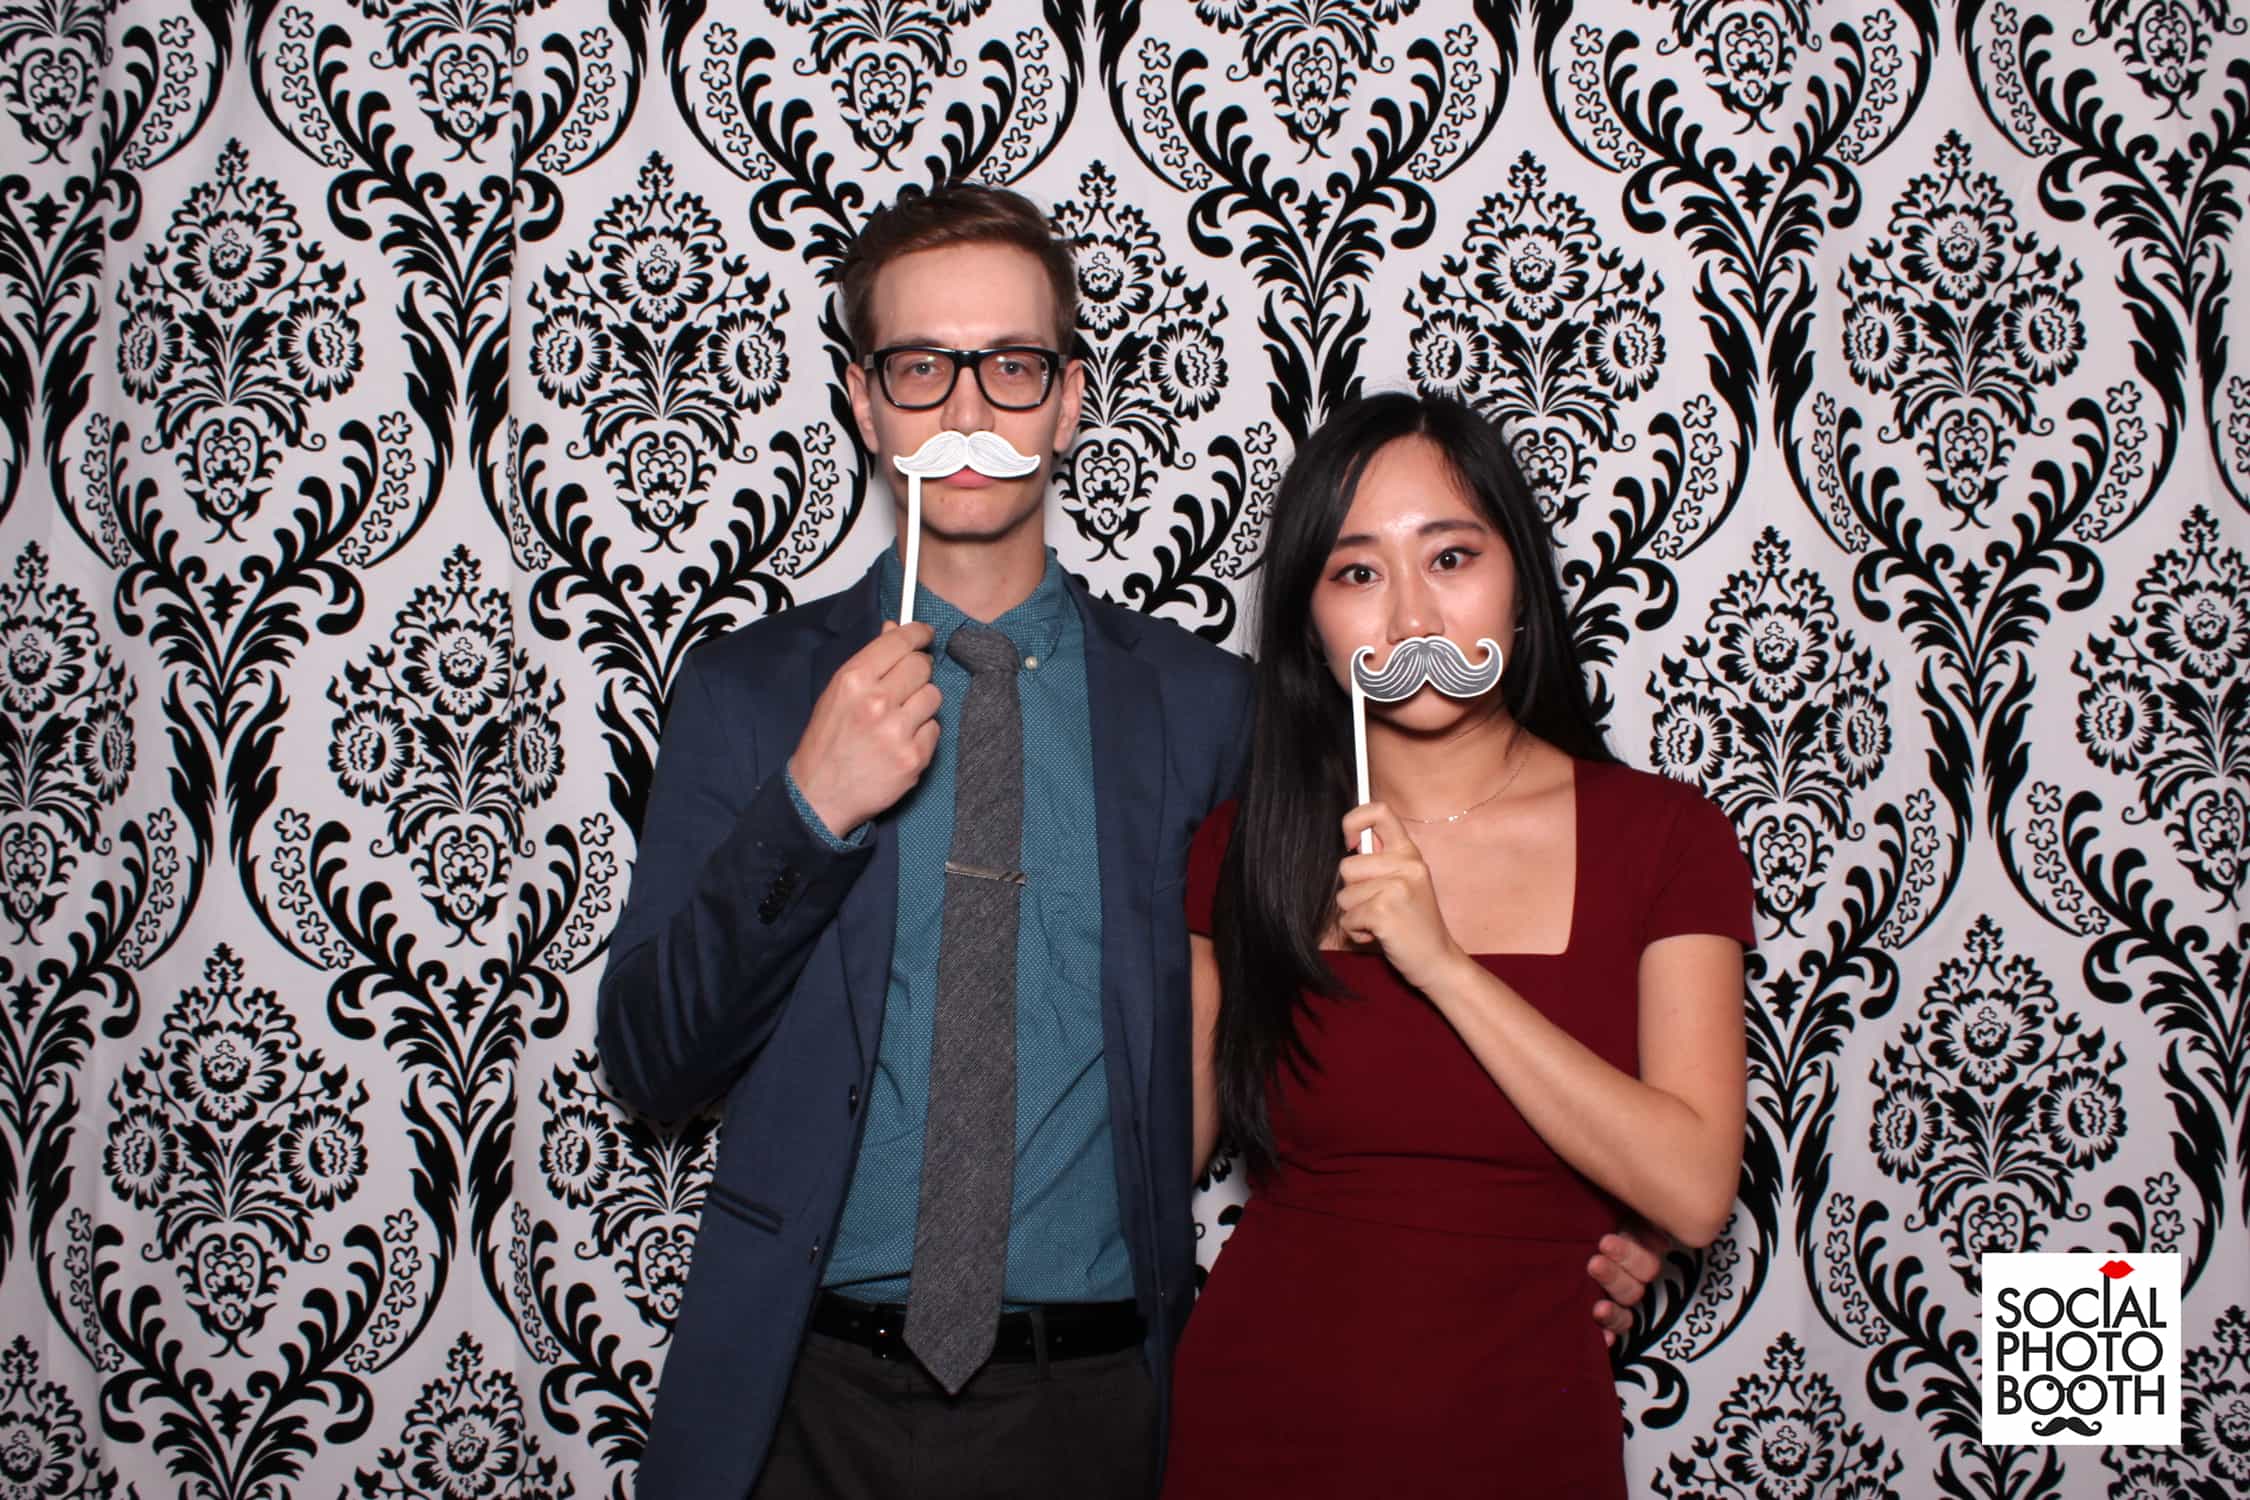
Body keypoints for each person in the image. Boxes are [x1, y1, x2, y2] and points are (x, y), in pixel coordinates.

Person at [595, 186, 1669, 1500]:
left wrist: (1598, 1219)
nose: (971, 410)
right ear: (867, 404)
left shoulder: (1206, 713)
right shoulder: (748, 693)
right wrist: (807, 813)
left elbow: (1388, 979)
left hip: (1099, 1411)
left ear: (1068, 400)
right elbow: (651, 1061)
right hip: (800, 1403)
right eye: (923, 368)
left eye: (1012, 365)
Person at [1164, 392, 1755, 1498]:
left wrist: (1437, 962)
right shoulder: (1245, 848)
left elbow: (1691, 1191)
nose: (1411, 617)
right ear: (1310, 626)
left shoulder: (1665, 837)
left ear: (1519, 581)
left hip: (1526, 1438)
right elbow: (1156, 1159)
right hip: (1255, 1429)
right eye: (1356, 573)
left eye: (1450, 556)